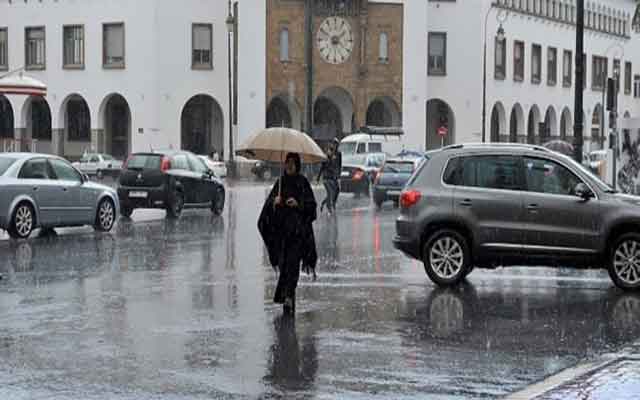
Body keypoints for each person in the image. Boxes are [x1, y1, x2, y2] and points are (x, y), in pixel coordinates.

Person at [258, 153, 318, 315]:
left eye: (293, 163)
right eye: (287, 162)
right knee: (285, 268)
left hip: (297, 236)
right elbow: (266, 214)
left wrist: (298, 205)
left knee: (292, 268)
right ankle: (286, 297)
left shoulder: (303, 183)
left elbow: (312, 209)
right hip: (281, 236)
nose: (289, 165)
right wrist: (274, 203)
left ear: (297, 165)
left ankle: (289, 297)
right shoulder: (280, 183)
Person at [317, 138, 342, 215]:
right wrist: (318, 177)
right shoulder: (327, 155)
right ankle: (329, 209)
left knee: (336, 190)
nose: (335, 146)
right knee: (330, 193)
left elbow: (339, 165)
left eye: (336, 144)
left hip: (334, 176)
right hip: (327, 178)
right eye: (334, 144)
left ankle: (329, 203)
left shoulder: (338, 154)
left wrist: (338, 174)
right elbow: (322, 167)